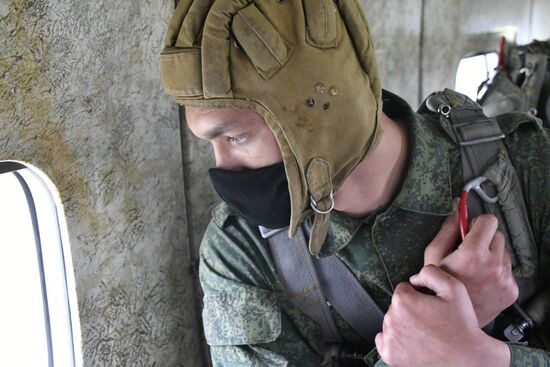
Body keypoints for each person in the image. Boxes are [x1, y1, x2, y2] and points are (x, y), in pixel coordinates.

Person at [160, 1, 550, 366]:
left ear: (319, 109)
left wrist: (483, 356)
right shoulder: (242, 250)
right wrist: (441, 343)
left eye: (235, 138)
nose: (222, 168)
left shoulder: (525, 166)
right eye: (211, 144)